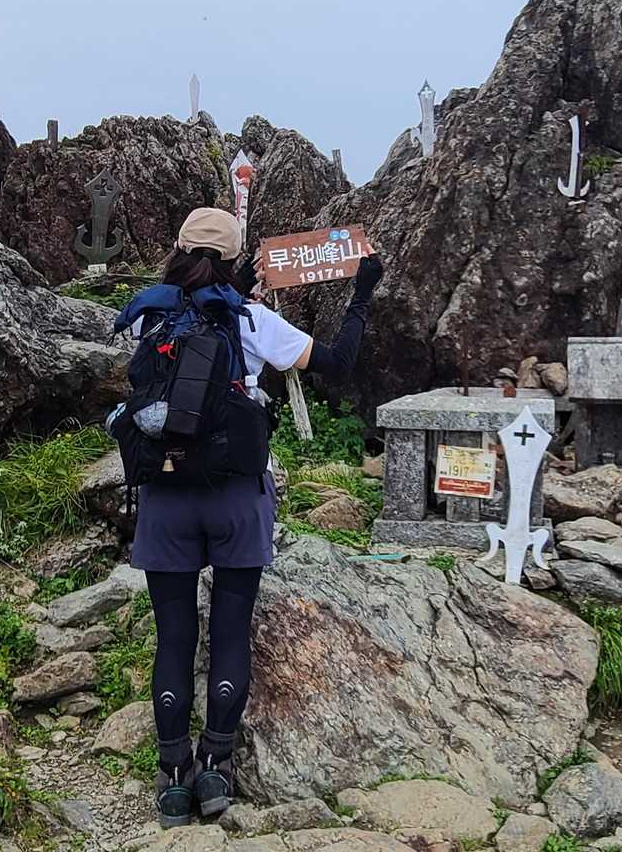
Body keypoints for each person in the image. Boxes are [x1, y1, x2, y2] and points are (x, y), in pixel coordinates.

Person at [110, 207, 380, 827]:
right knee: (230, 631)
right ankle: (216, 769)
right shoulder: (251, 320)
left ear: (177, 250)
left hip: (165, 495)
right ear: (235, 260)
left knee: (174, 636)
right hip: (235, 495)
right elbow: (337, 362)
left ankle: (172, 778)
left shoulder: (146, 316)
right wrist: (362, 293)